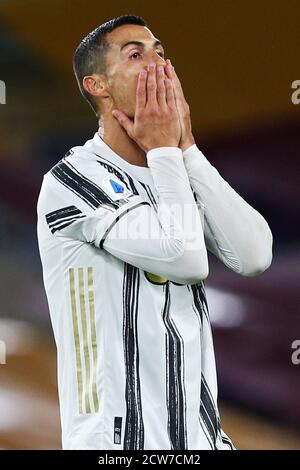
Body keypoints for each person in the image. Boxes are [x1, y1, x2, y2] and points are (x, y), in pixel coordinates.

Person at [37, 14, 273, 450]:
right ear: (98, 86)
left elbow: (255, 254)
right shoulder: (73, 179)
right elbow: (185, 260)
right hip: (117, 445)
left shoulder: (173, 168)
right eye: (136, 54)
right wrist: (165, 149)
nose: (159, 64)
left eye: (161, 52)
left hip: (202, 440)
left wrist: (187, 150)